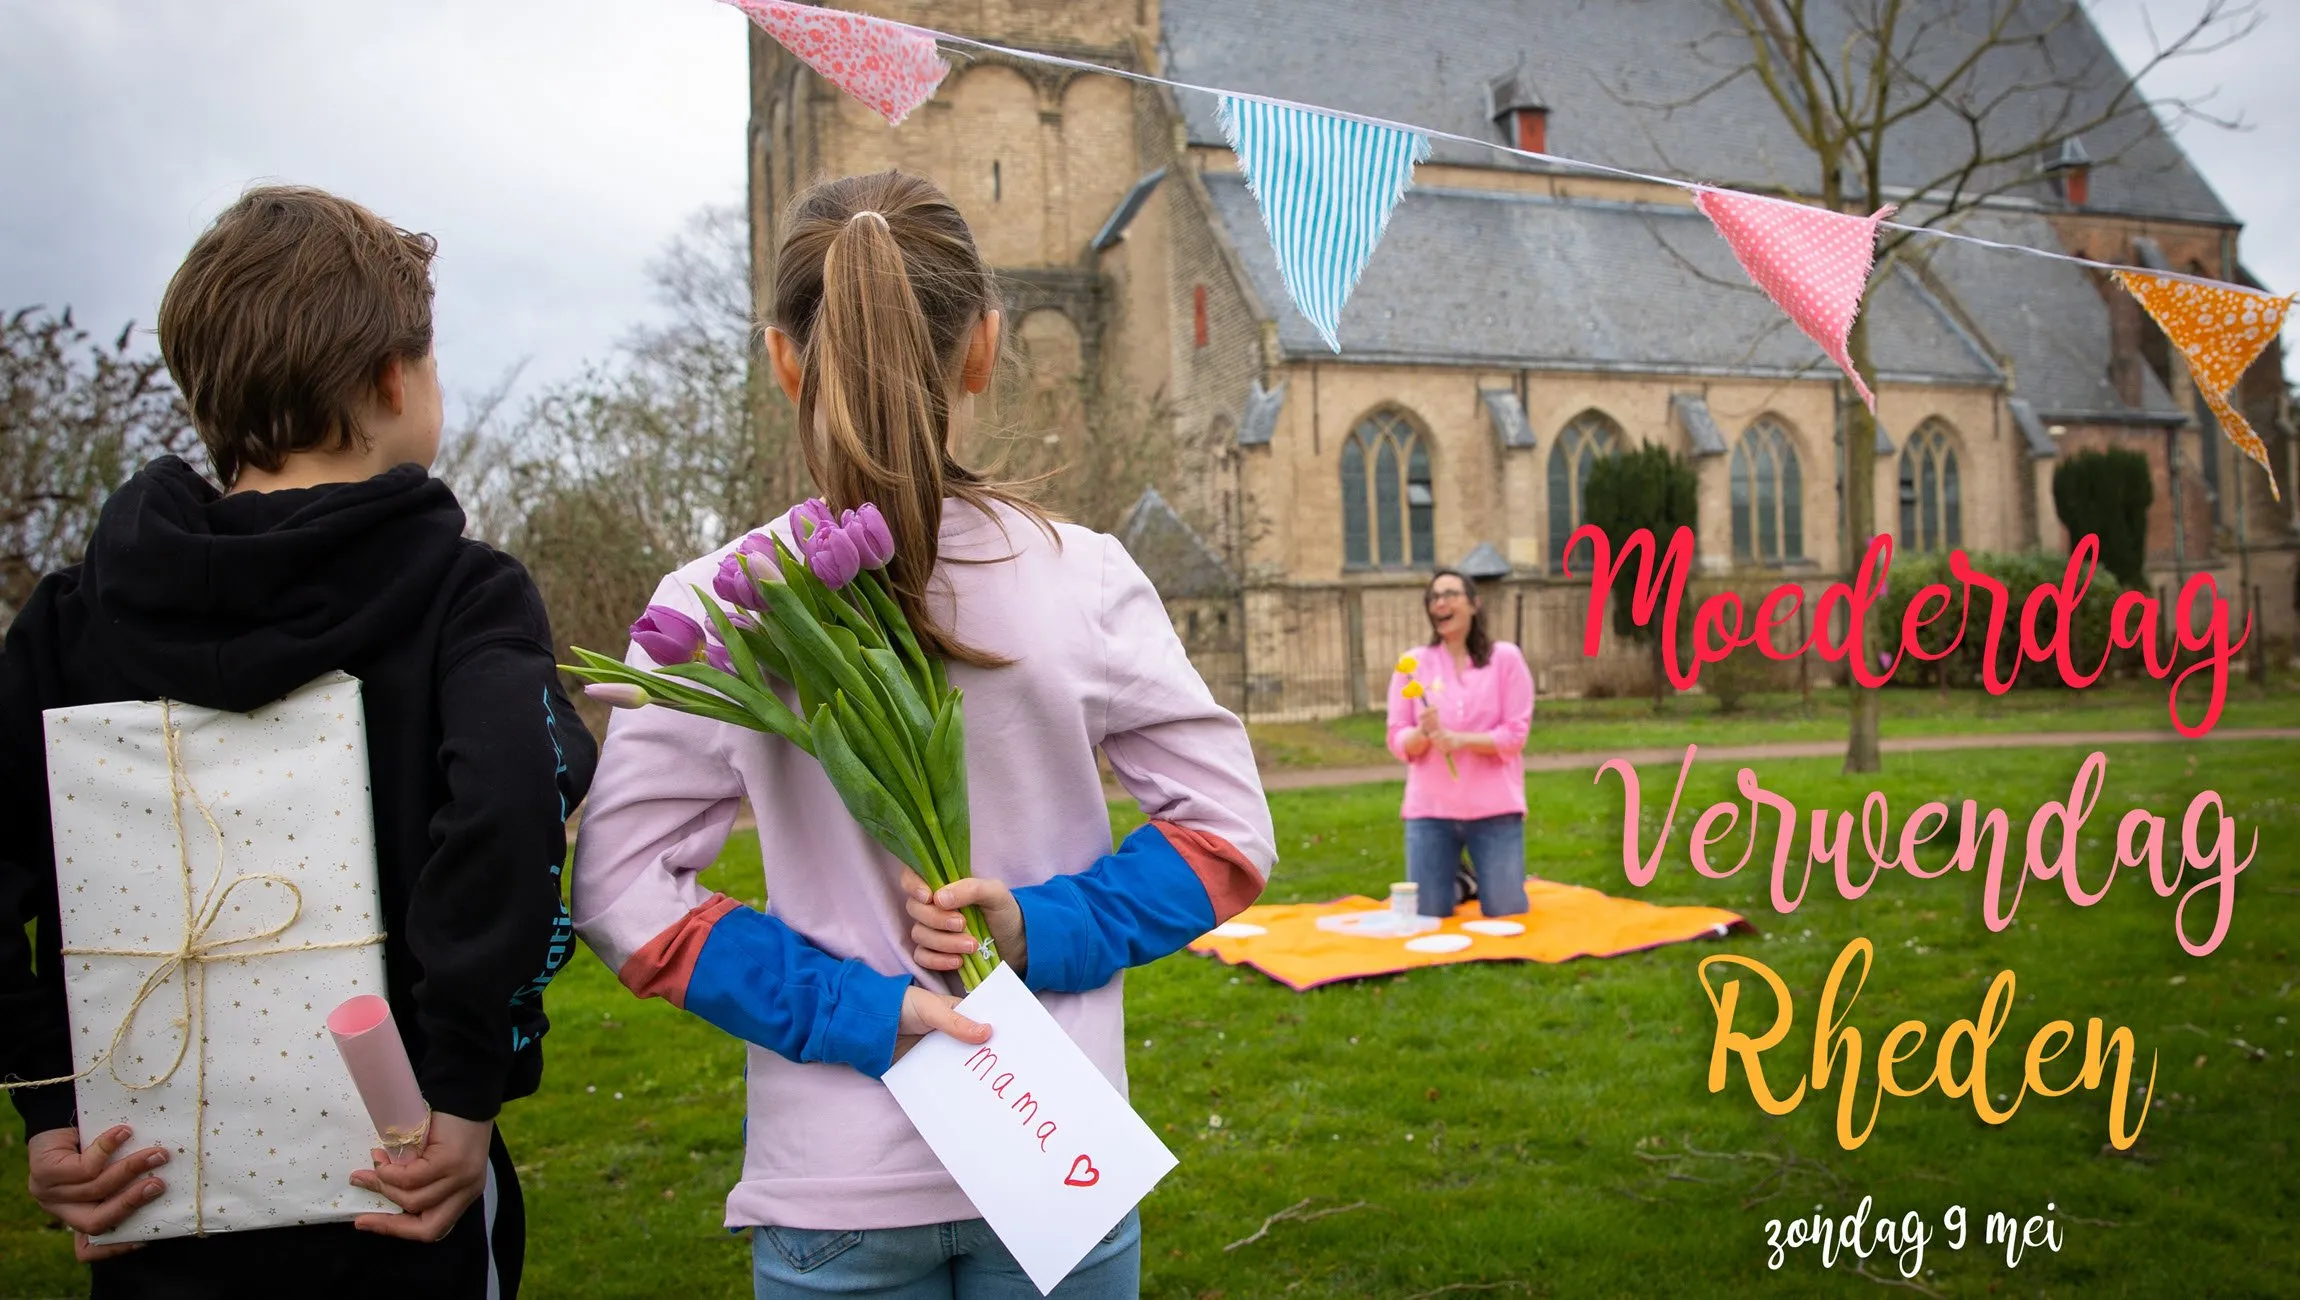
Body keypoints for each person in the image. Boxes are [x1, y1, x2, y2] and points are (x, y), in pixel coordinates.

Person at [568, 169, 1275, 1300]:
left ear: (782, 359)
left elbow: (617, 896)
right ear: (986, 346)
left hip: (841, 1190)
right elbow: (1229, 836)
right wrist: (1042, 927)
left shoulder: (718, 599)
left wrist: (853, 1009)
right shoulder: (1079, 577)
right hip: (1055, 1159)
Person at [0, 186, 596, 1298]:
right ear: (390, 377)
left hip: (150, 1185)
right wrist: (464, 1087)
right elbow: (513, 810)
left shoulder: (72, 621)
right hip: (402, 1177)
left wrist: (51, 1104)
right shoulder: (464, 598)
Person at [1386, 568, 1535, 918]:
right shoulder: (1412, 665)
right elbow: (1396, 737)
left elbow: (1515, 735)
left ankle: (1478, 880)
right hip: (1431, 810)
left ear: (1474, 604)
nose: (1441, 602)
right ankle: (1461, 883)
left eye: (1450, 594)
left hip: (1493, 808)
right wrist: (1422, 735)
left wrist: (1459, 740)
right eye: (1434, 597)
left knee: (1505, 913)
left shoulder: (1506, 659)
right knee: (1427, 914)